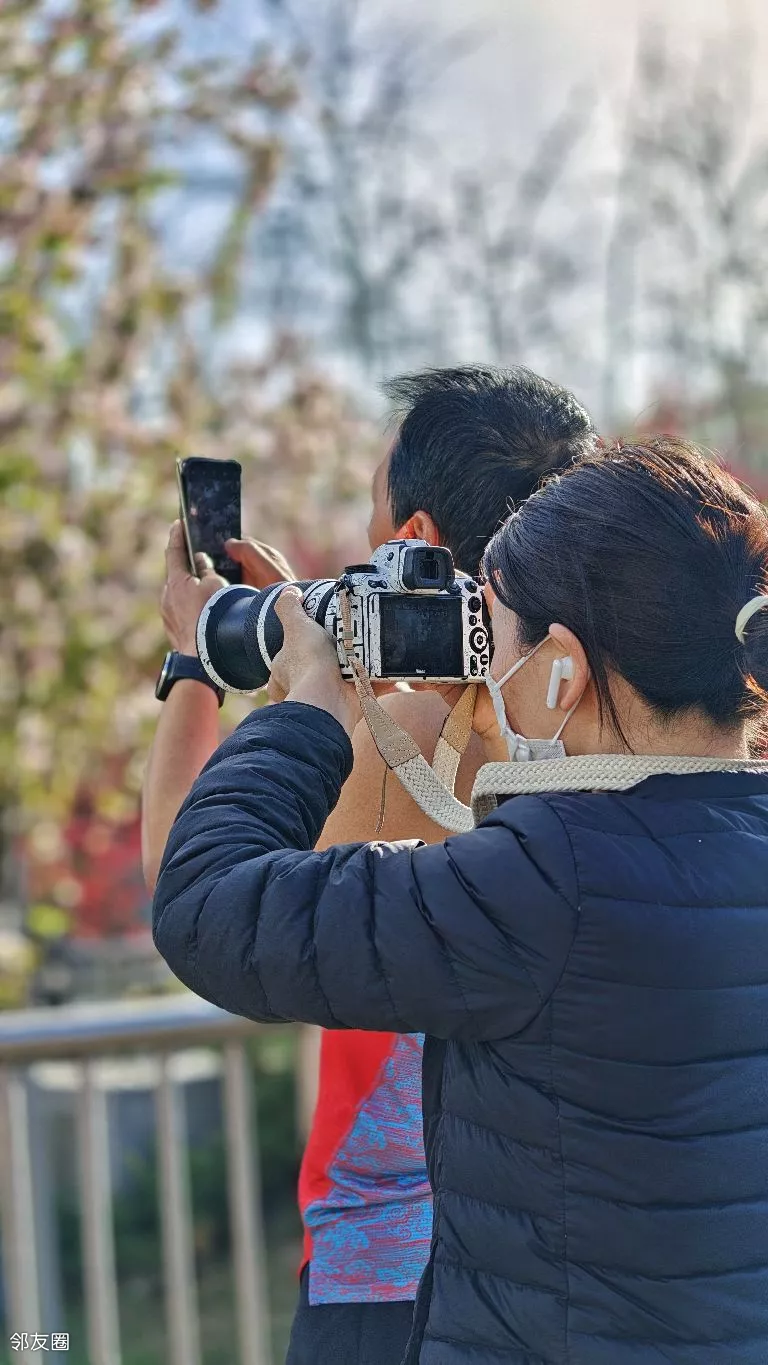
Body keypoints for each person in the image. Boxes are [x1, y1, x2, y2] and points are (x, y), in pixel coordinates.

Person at [154, 437, 768, 1365]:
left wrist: (314, 702)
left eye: (498, 631)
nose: (485, 658)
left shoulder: (546, 878)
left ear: (560, 670)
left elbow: (207, 906)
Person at [142, 365, 597, 1364]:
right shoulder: (606, 725)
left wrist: (198, 657)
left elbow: (188, 870)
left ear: (415, 540)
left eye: (373, 516)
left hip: (385, 1280)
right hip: (564, 1273)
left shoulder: (404, 740)